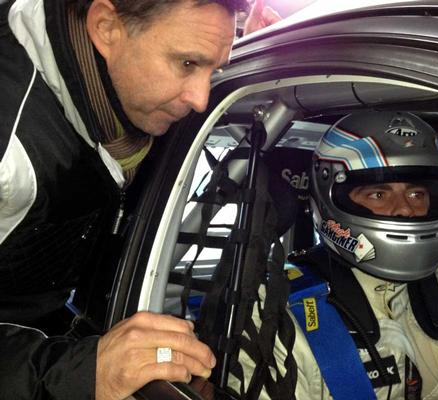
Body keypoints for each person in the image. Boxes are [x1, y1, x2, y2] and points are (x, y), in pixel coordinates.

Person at [0, 0, 280, 399]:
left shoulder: (107, 94)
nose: (202, 98)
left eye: (213, 69)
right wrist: (77, 373)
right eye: (187, 64)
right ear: (106, 27)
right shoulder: (9, 152)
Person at [236, 111, 438, 399]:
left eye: (417, 193)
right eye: (379, 194)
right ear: (333, 198)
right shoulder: (275, 312)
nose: (405, 210)